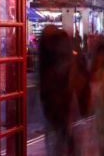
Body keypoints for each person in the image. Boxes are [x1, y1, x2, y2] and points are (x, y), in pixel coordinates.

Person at [38, 25, 74, 156]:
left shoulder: (47, 63)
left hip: (53, 107)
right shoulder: (63, 60)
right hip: (59, 107)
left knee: (56, 143)